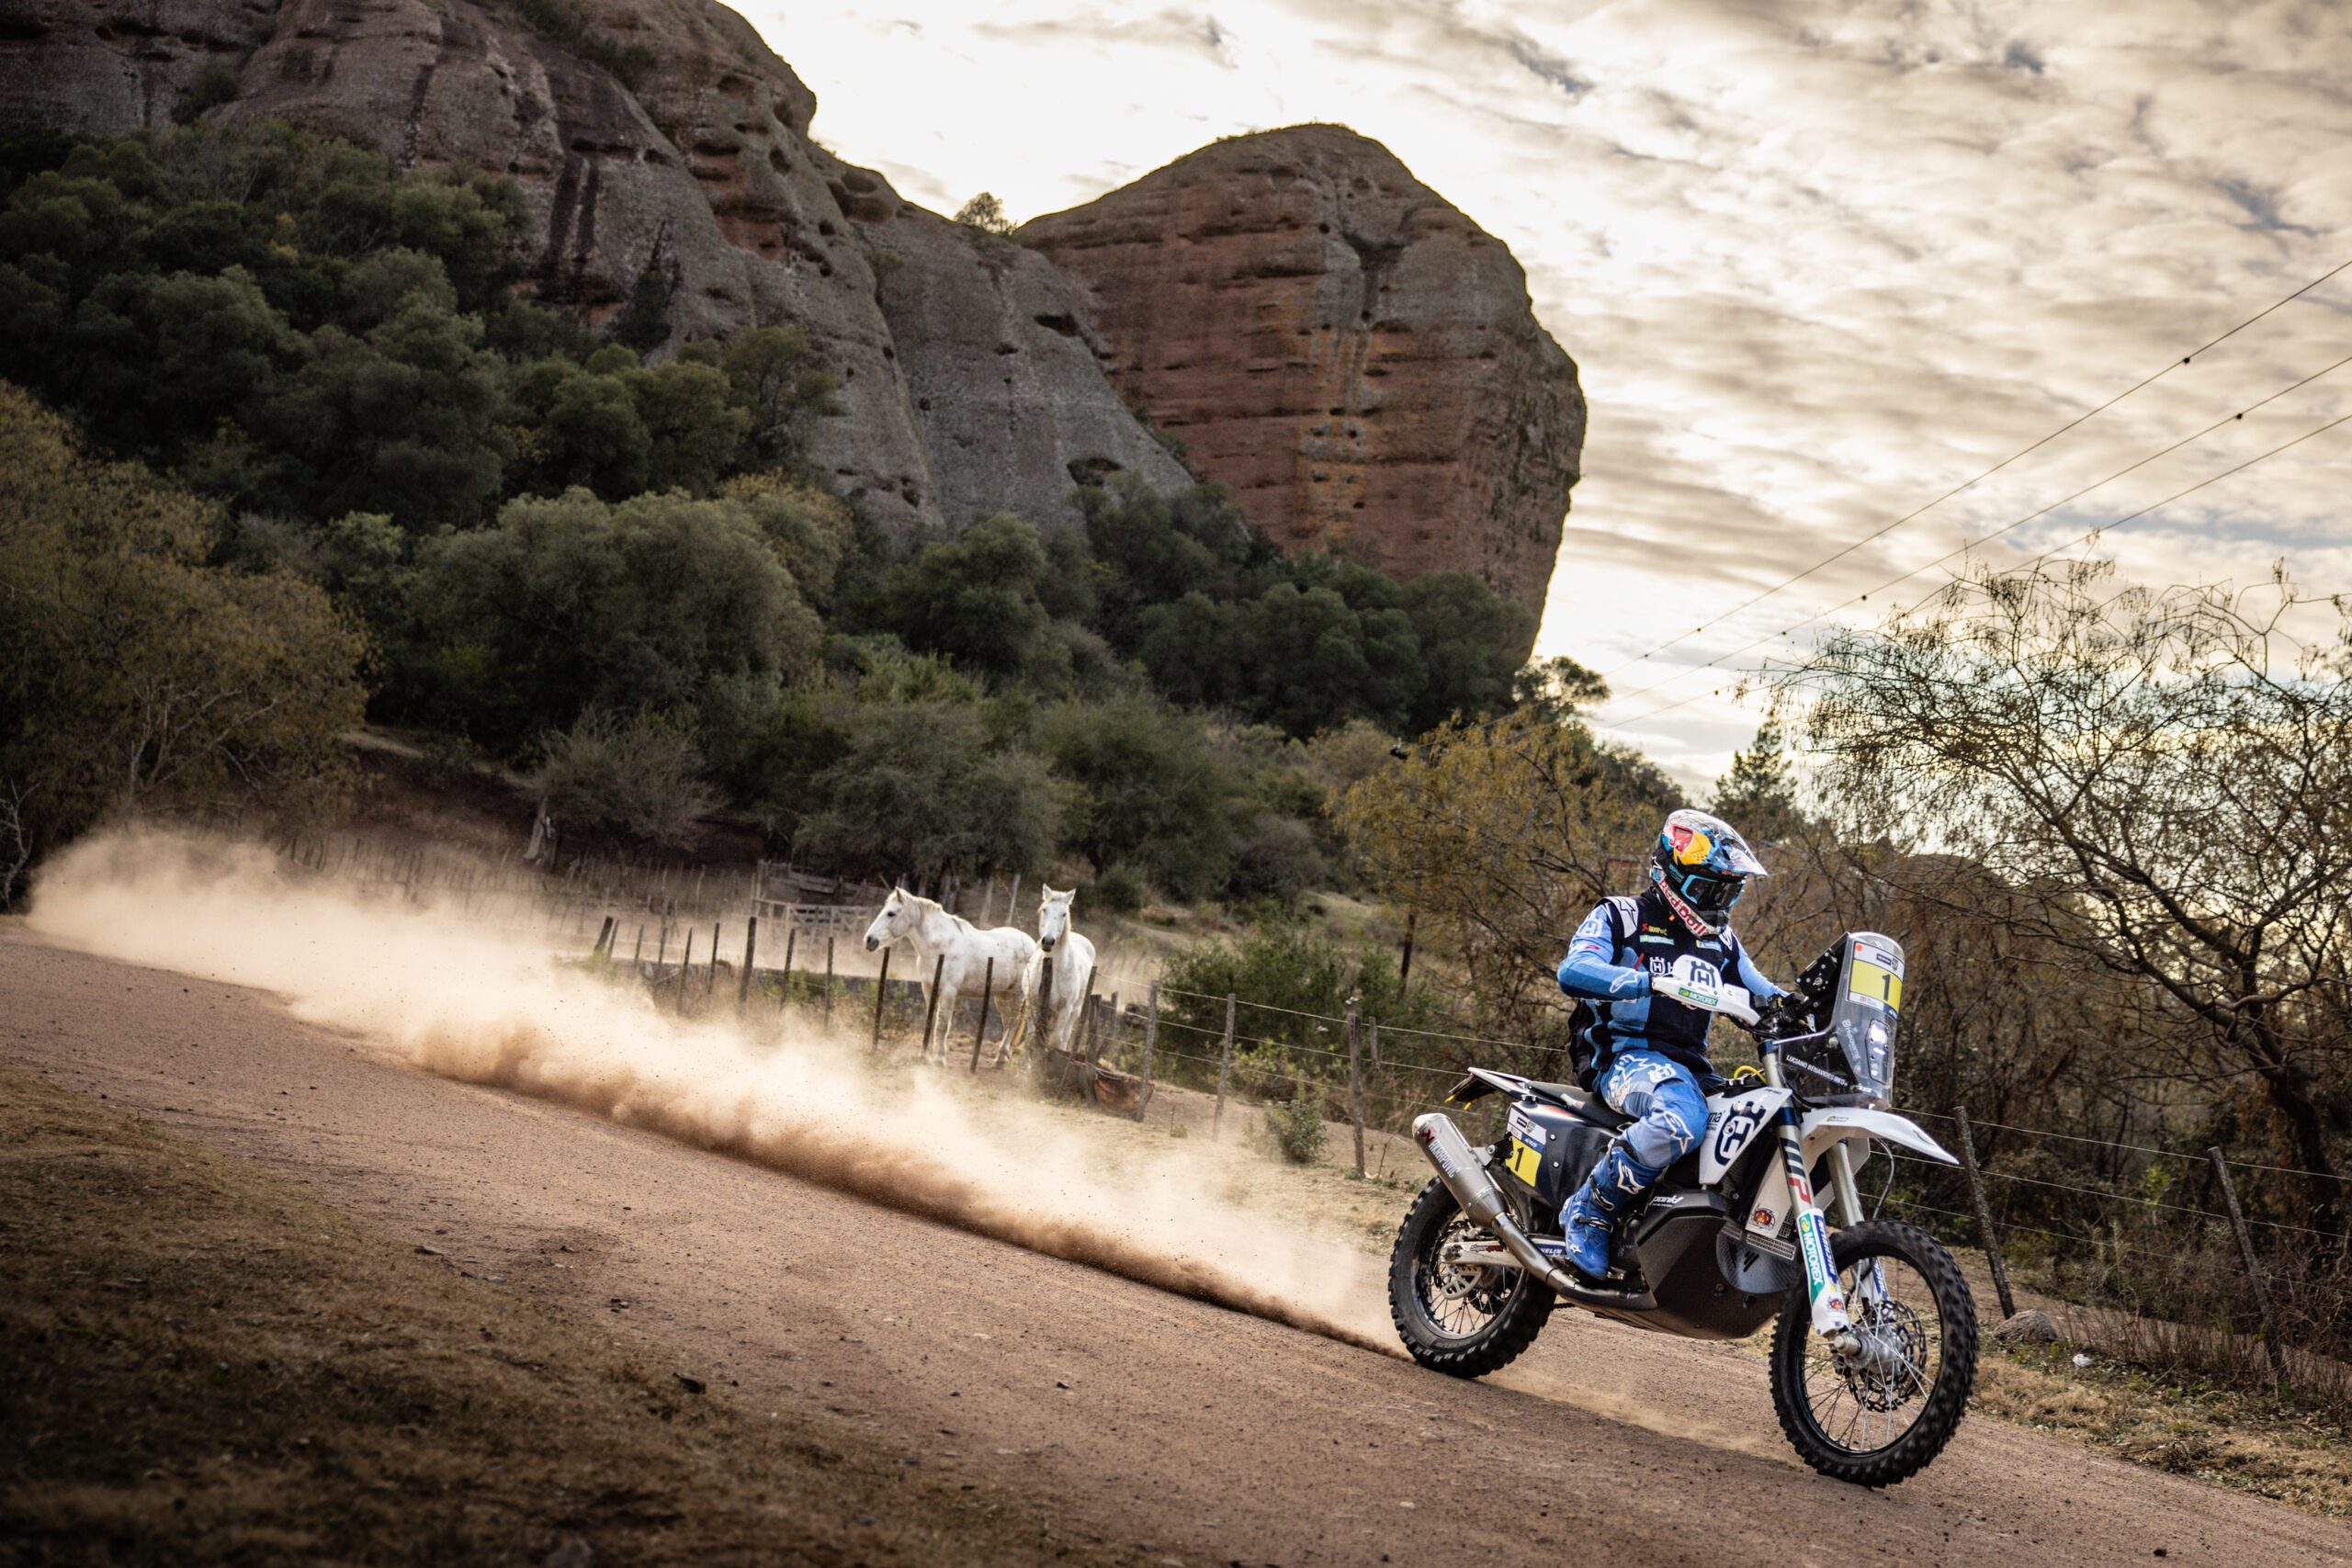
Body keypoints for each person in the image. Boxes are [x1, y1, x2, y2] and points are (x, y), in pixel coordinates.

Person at [1544, 807, 1783, 1281]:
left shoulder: (1722, 943)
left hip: (1689, 1067)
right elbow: (1573, 971)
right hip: (1622, 1057)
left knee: (1758, 1120)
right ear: (1674, 874)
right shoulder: (1622, 916)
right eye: (1712, 889)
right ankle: (1590, 1209)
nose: (1720, 903)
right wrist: (1648, 982)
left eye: (1729, 892)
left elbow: (1765, 993)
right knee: (1681, 1118)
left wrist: (1805, 1009)